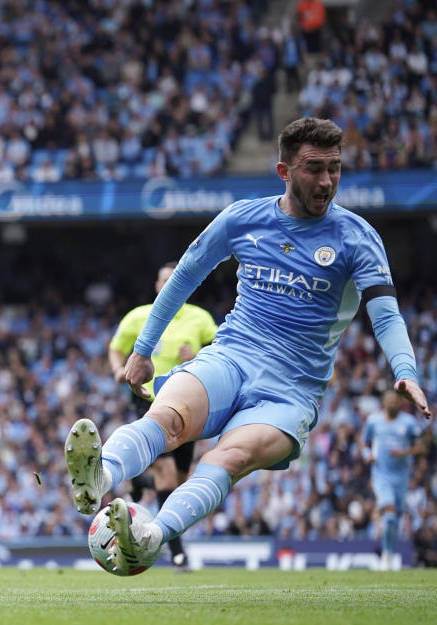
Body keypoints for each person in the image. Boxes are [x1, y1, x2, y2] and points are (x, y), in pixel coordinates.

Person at [65, 117, 432, 575]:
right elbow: (184, 276)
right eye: (314, 168)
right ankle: (100, 474)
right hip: (231, 356)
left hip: (292, 389)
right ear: (284, 171)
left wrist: (405, 370)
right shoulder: (243, 218)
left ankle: (150, 536)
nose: (326, 181)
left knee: (228, 457)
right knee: (167, 417)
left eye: (334, 168)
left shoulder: (357, 237)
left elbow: (387, 313)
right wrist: (143, 348)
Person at [108, 262, 217, 570]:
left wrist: (198, 358)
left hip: (187, 408)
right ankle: (177, 550)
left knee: (180, 482)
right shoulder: (140, 317)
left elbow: (223, 351)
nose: (170, 285)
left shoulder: (200, 319)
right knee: (168, 477)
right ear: (157, 287)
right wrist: (118, 370)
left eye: (175, 280)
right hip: (150, 404)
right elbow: (116, 347)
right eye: (164, 281)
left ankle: (139, 480)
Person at [362, 390, 427, 571]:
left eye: (394, 401)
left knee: (396, 518)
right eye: (388, 401)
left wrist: (405, 452)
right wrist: (367, 455)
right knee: (389, 516)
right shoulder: (373, 421)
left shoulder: (408, 422)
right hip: (381, 476)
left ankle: (389, 553)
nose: (391, 404)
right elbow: (364, 443)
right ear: (383, 403)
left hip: (401, 477)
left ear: (399, 403)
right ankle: (386, 556)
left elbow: (421, 446)